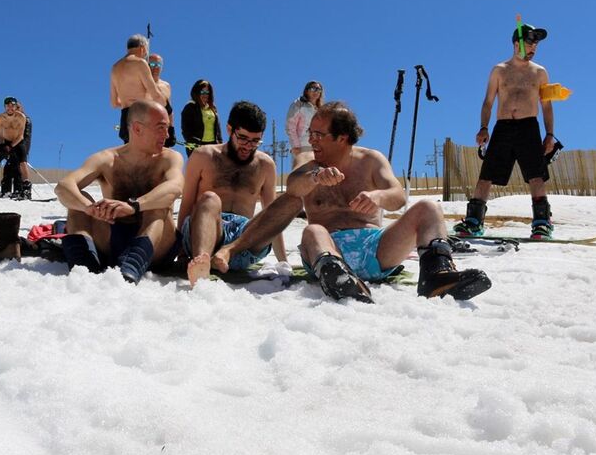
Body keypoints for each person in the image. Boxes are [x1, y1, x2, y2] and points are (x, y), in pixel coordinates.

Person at [211, 102, 491, 303]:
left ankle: (437, 276)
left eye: (318, 135)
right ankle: (339, 278)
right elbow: (294, 188)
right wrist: (317, 177)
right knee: (312, 231)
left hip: (375, 248)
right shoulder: (309, 163)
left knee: (429, 208)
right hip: (326, 249)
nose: (311, 140)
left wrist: (377, 196)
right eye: (311, 134)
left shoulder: (370, 159)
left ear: (341, 138)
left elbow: (397, 196)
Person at [55, 100, 184, 284]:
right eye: (161, 128)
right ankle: (84, 264)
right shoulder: (107, 159)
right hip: (112, 237)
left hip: (156, 243)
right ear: (137, 129)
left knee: (158, 206)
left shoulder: (170, 158)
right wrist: (89, 208)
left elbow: (175, 187)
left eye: (168, 128)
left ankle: (132, 267)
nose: (168, 134)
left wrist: (134, 206)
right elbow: (63, 186)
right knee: (78, 201)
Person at [454, 23, 556, 239]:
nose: (533, 47)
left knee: (536, 176)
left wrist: (549, 134)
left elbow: (546, 105)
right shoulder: (499, 70)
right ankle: (473, 222)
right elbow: (488, 102)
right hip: (502, 128)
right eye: (529, 42)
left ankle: (542, 223)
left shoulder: (540, 72)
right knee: (486, 176)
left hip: (529, 127)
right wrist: (483, 127)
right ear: (516, 43)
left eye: (536, 44)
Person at [177, 101, 287, 286]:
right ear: (229, 129)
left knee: (279, 209)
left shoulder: (265, 165)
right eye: (243, 138)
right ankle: (201, 265)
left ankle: (218, 259)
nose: (248, 146)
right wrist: (179, 249)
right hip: (204, 233)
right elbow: (187, 203)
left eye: (255, 141)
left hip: (242, 245)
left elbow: (271, 215)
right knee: (210, 198)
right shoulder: (203, 156)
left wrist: (283, 262)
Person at [110, 34, 164, 143]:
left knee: (130, 156)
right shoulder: (140, 63)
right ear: (142, 48)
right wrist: (165, 107)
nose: (145, 55)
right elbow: (156, 95)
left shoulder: (115, 68)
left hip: (125, 118)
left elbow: (114, 103)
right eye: (146, 52)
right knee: (146, 157)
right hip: (141, 116)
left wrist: (128, 101)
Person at [285, 80, 324, 169]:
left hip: (317, 147)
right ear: (306, 90)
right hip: (302, 147)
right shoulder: (299, 104)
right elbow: (290, 126)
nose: (316, 91)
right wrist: (295, 145)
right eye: (313, 88)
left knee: (316, 176)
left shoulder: (321, 110)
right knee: (301, 174)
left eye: (318, 89)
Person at [180, 79, 222, 156]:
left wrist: (220, 145)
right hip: (197, 147)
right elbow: (185, 130)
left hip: (213, 146)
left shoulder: (212, 108)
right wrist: (194, 143)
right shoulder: (190, 107)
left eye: (207, 92)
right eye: (202, 92)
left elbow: (218, 130)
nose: (205, 95)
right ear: (196, 93)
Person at [1, 101, 32, 198]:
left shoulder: (25, 119)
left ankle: (20, 190)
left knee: (18, 167)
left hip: (21, 146)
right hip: (13, 147)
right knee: (9, 167)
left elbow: (24, 136)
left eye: (17, 107)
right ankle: (6, 191)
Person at [148, 53, 177, 148]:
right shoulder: (141, 84)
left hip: (162, 130)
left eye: (158, 65)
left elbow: (169, 111)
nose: (155, 68)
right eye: (152, 64)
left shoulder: (166, 86)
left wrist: (171, 130)